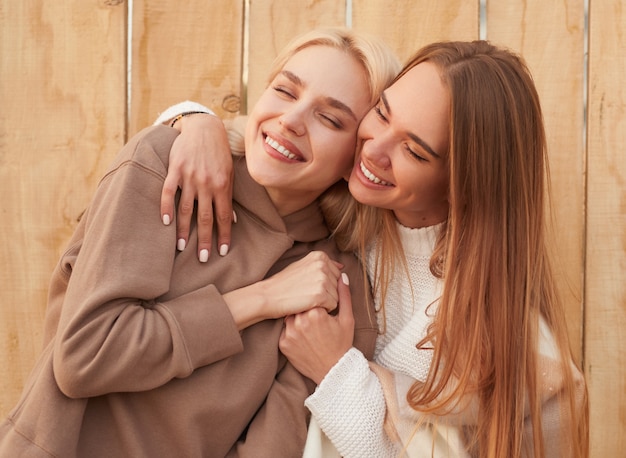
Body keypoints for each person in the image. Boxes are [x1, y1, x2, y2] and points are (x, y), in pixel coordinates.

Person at [163, 40, 589, 457]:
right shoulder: (341, 199)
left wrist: (336, 372)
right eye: (382, 113)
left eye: (413, 151)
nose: (373, 149)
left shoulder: (496, 337)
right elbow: (264, 138)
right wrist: (196, 121)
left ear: (464, 186)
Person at [0, 28, 401, 457]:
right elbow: (86, 354)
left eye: (330, 118)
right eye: (285, 91)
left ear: (355, 158)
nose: (290, 120)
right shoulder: (169, 164)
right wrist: (262, 299)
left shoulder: (337, 284)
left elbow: (273, 447)